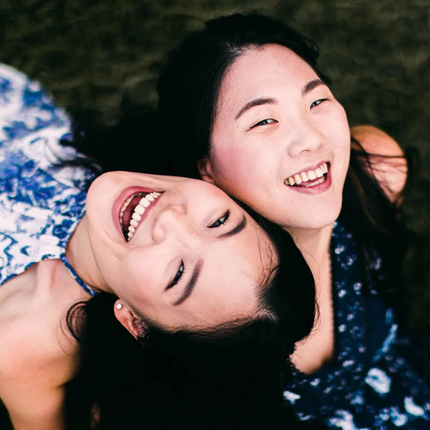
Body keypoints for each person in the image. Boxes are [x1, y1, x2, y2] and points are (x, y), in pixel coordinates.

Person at [0, 62, 317, 430]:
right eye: (219, 221)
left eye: (178, 273)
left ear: (134, 322)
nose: (171, 219)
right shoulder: (149, 158)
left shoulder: (19, 344)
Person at [156, 12, 430, 428]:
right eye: (264, 120)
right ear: (205, 166)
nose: (312, 139)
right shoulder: (188, 306)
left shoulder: (376, 174)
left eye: (317, 101)